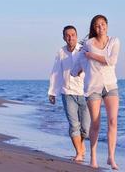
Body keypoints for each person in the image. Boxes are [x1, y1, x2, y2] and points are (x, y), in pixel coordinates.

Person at [71, 15, 120, 170]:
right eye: (97, 25)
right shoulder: (88, 44)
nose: (101, 28)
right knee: (96, 123)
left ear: (107, 25)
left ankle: (111, 157)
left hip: (110, 85)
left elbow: (112, 61)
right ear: (93, 28)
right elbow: (78, 64)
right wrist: (77, 70)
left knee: (113, 121)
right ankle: (93, 156)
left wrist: (91, 56)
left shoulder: (114, 41)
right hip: (93, 87)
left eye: (103, 24)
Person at [48, 25, 90, 161]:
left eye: (73, 34)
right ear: (64, 37)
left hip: (85, 93)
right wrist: (52, 92)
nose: (70, 37)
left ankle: (81, 142)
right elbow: (56, 72)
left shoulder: (83, 50)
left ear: (76, 36)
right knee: (74, 125)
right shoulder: (61, 52)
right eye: (67, 35)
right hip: (67, 93)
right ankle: (78, 153)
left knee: (86, 128)